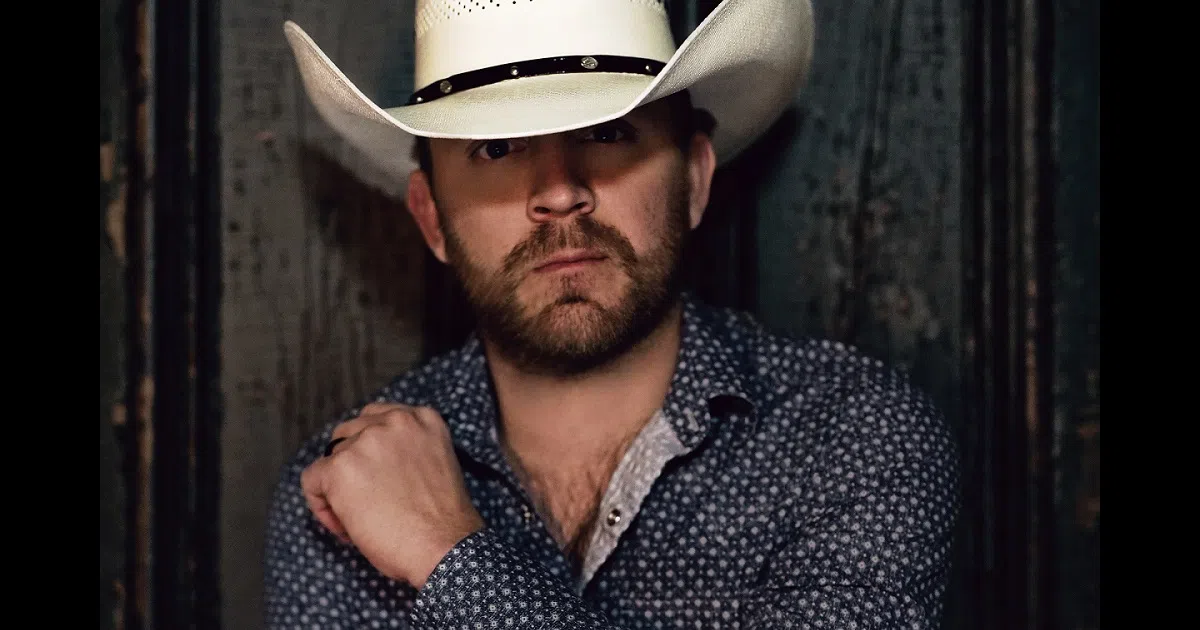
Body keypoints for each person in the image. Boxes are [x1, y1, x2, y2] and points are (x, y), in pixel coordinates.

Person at [264, 0, 961, 627]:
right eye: (496, 148)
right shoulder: (342, 491)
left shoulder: (854, 435)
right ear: (431, 218)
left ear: (693, 179)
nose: (559, 192)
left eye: (606, 132)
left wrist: (446, 554)